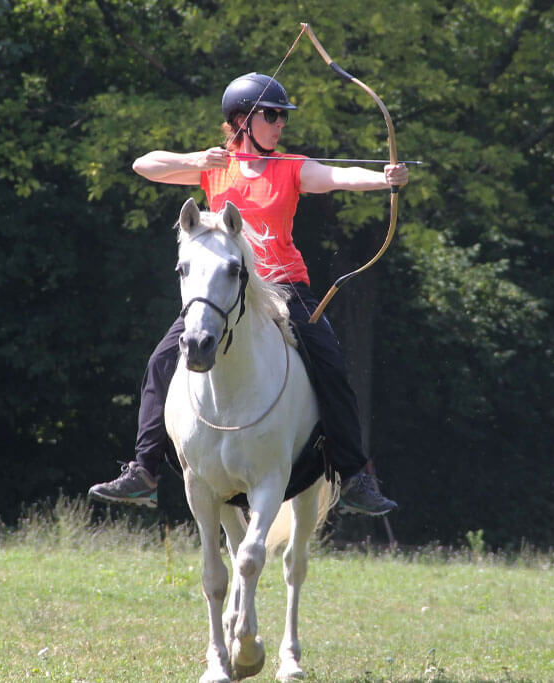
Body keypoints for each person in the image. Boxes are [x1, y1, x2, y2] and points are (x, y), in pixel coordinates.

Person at [89, 72, 407, 515]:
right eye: (272, 115)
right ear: (242, 119)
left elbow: (336, 176)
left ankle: (352, 476)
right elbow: (144, 165)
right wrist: (197, 160)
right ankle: (143, 471)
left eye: (282, 117)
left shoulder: (291, 167)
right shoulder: (214, 168)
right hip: (224, 289)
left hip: (283, 286)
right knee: (162, 360)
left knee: (328, 361)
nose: (280, 124)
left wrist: (383, 179)